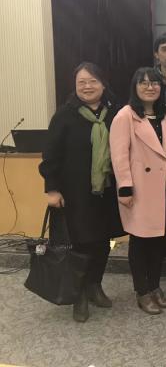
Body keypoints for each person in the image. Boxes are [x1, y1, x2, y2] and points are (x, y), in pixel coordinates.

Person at [39, 62, 124, 322]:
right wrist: (52, 189)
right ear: (75, 86)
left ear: (103, 84)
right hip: (75, 193)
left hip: (106, 191)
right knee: (81, 244)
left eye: (93, 81)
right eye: (81, 82)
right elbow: (50, 156)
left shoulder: (115, 113)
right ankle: (79, 294)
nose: (87, 86)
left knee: (104, 241)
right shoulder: (65, 115)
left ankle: (95, 285)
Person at [110, 67, 166, 315]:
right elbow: (119, 156)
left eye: (155, 83)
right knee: (140, 242)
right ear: (135, 87)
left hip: (164, 187)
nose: (150, 87)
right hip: (139, 189)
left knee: (159, 241)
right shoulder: (125, 116)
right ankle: (142, 291)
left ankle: (155, 286)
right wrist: (125, 187)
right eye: (144, 83)